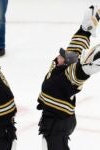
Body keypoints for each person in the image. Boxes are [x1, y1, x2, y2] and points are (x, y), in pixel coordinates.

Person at [37, 5, 100, 150]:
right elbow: (76, 46)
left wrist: (90, 64)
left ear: (65, 62)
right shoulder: (59, 65)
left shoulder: (69, 74)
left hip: (59, 122)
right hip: (54, 118)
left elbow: (81, 71)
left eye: (62, 56)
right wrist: (85, 30)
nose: (59, 55)